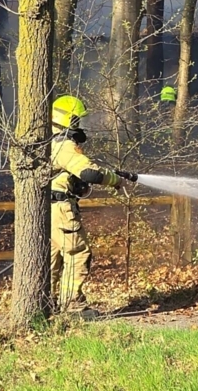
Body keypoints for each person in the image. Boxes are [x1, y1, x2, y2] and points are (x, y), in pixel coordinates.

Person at [49, 95, 137, 312]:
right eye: (77, 121)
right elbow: (89, 172)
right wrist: (114, 180)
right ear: (69, 120)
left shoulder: (47, 141)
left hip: (48, 209)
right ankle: (72, 305)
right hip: (61, 208)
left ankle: (46, 301)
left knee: (52, 256)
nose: (80, 126)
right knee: (78, 253)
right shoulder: (65, 145)